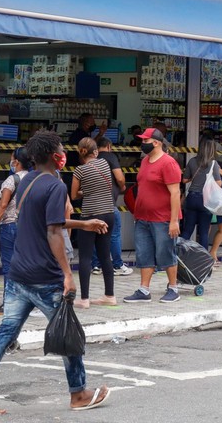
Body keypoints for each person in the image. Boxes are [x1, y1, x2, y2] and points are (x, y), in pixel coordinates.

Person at [0, 131, 109, 416]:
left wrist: (82, 224)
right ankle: (78, 394)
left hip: (18, 274)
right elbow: (53, 231)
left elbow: (51, 221)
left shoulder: (27, 180)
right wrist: (67, 274)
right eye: (61, 149)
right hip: (45, 277)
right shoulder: (55, 186)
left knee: (4, 335)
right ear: (55, 156)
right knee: (69, 335)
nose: (64, 152)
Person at [124, 128, 182, 303]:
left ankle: (173, 288)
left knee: (166, 253)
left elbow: (175, 193)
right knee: (144, 253)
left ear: (156, 142)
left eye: (145, 141)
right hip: (143, 217)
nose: (142, 144)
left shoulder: (168, 163)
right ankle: (144, 289)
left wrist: (173, 221)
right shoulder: (146, 161)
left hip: (162, 218)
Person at [71, 137, 118, 308]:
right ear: (96, 151)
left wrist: (86, 192)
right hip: (108, 214)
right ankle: (110, 295)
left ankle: (84, 299)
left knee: (85, 256)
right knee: (105, 255)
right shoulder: (105, 164)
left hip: (90, 216)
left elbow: (74, 195)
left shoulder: (79, 171)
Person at [0, 146, 32, 315]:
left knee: (9, 266)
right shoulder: (35, 179)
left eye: (12, 159)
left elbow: (3, 205)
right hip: (29, 228)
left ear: (17, 162)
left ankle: (9, 304)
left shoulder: (12, 180)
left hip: (11, 225)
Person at [181, 138, 222, 250]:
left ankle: (178, 256)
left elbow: (184, 180)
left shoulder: (192, 161)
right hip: (204, 200)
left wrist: (194, 178)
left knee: (187, 230)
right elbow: (219, 183)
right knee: (204, 232)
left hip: (191, 198)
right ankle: (203, 261)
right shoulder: (213, 163)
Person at [95, 137, 133, 277]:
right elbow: (120, 178)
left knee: (95, 234)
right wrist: (122, 186)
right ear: (109, 146)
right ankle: (117, 264)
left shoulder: (92, 158)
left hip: (94, 204)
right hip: (109, 204)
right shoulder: (111, 157)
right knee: (114, 234)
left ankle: (95, 265)